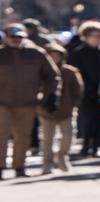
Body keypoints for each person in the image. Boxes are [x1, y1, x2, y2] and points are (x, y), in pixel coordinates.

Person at [0, 24, 59, 180]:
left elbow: (52, 76)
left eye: (19, 37)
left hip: (27, 102)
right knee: (1, 134)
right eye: (12, 36)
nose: (15, 40)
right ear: (6, 37)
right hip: (2, 102)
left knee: (23, 136)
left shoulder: (36, 54)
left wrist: (49, 95)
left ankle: (19, 167)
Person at [37, 42, 82, 173]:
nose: (55, 58)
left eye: (58, 55)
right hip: (46, 111)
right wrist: (41, 103)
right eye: (51, 55)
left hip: (66, 111)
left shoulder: (70, 71)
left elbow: (78, 91)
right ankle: (47, 162)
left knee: (68, 136)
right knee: (47, 139)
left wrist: (73, 105)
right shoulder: (40, 72)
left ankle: (62, 156)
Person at [67, 22, 100, 159]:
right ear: (85, 37)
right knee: (88, 120)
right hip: (86, 92)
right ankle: (86, 147)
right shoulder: (78, 53)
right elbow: (75, 73)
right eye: (94, 36)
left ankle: (97, 146)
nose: (98, 38)